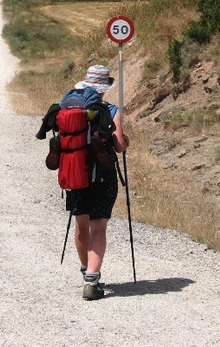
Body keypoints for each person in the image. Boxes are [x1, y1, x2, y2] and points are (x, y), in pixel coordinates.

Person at [67, 64, 129, 301]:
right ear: (104, 88)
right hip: (103, 175)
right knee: (98, 227)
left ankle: (86, 272)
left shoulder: (70, 107)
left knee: (81, 226)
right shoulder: (111, 110)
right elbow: (120, 146)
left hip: (75, 173)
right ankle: (92, 281)